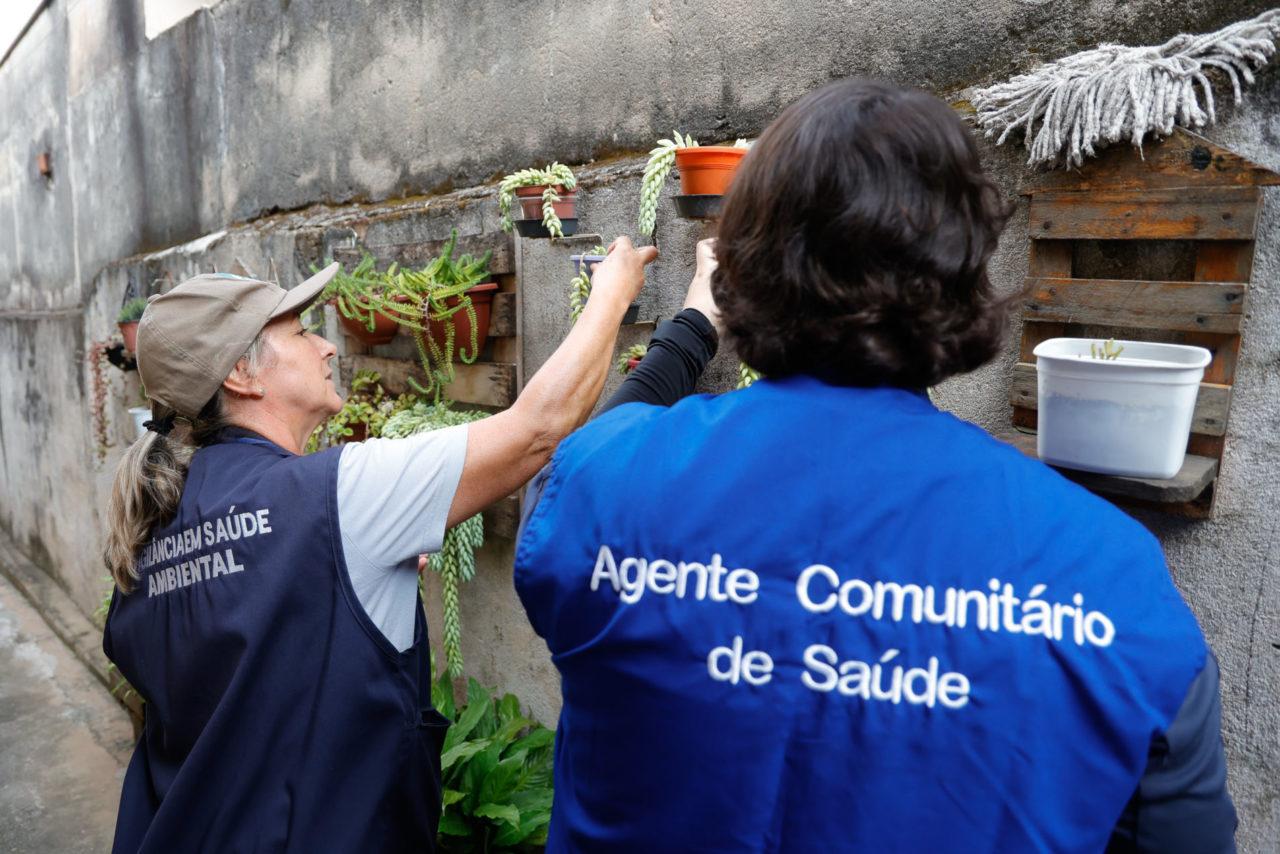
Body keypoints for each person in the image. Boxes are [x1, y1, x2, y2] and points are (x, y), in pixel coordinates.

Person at [513, 79, 1237, 852]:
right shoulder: (1112, 579)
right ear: (963, 276)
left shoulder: (599, 488)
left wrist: (696, 321)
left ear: (743, 269)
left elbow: (608, 447)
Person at [100, 236, 663, 853]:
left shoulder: (154, 531)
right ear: (241, 374)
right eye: (299, 332)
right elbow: (538, 429)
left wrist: (353, 586)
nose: (326, 346)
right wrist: (612, 291)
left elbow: (243, 654)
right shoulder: (337, 492)